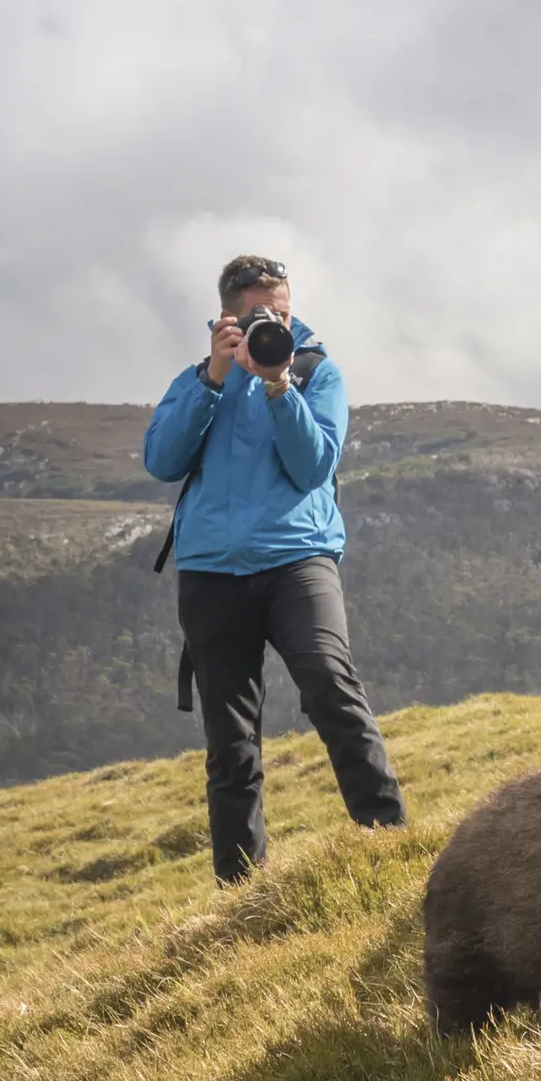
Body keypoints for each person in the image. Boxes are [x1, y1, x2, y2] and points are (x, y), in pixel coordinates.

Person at [142, 254, 407, 881]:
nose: (272, 322)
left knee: (329, 683)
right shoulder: (197, 379)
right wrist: (213, 376)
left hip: (298, 560)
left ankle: (389, 844)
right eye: (259, 313)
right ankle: (242, 889)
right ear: (227, 313)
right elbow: (162, 459)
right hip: (210, 572)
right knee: (230, 740)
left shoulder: (315, 372)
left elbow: (313, 465)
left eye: (281, 312)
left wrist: (278, 385)